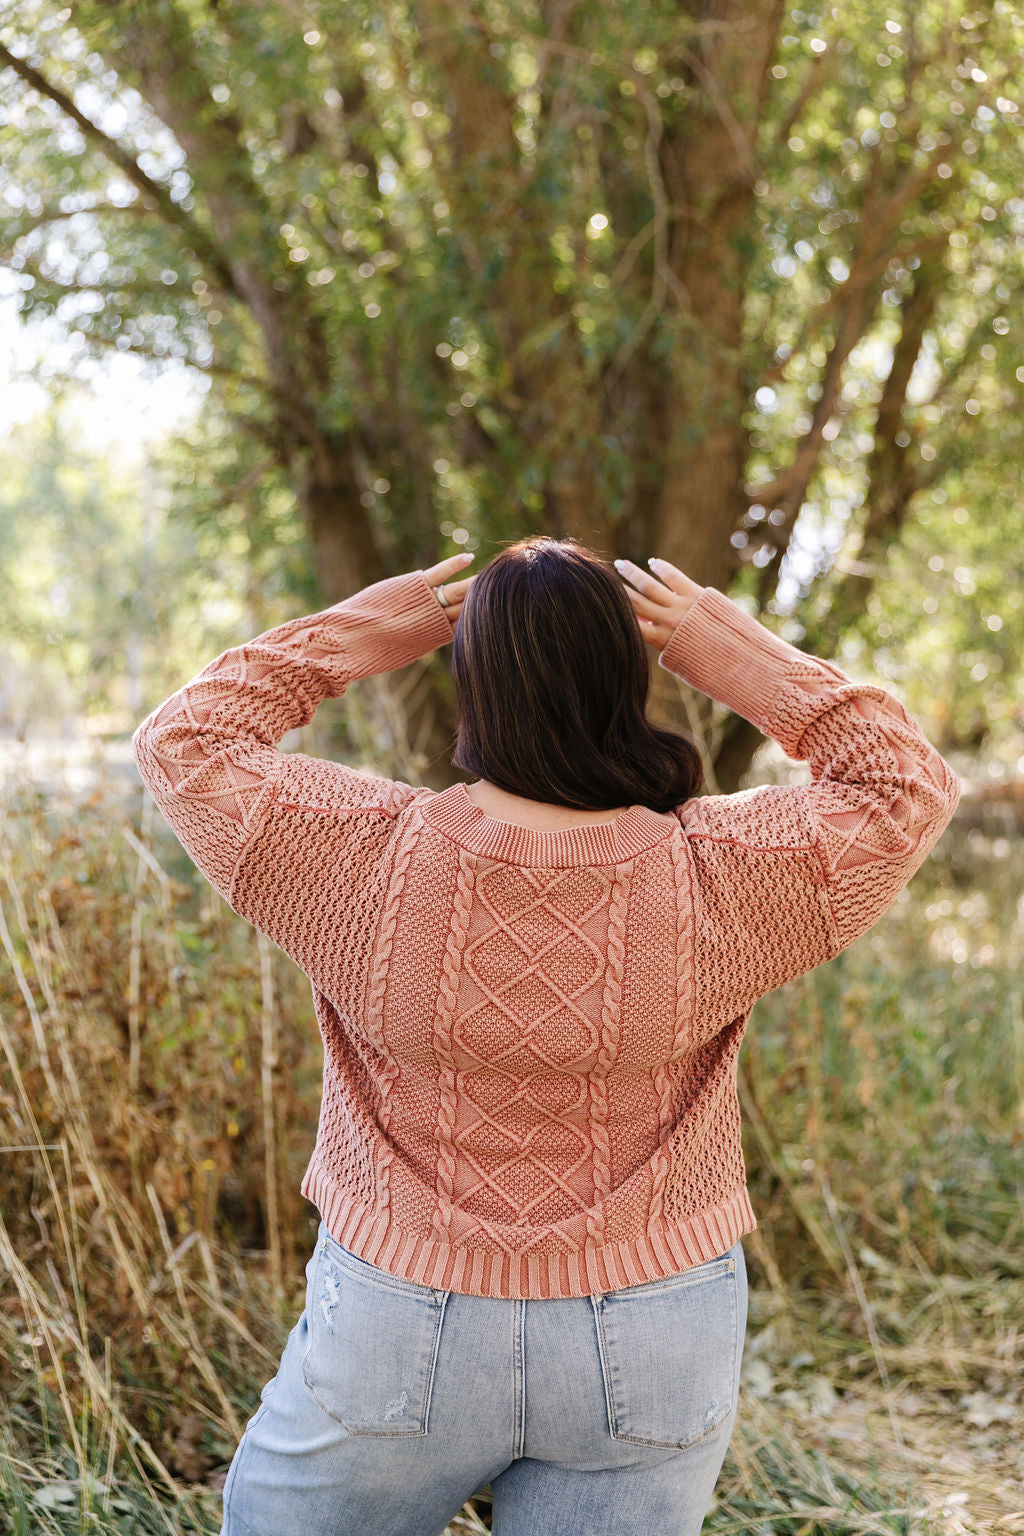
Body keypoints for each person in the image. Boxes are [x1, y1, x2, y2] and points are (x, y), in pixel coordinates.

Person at [132, 536, 960, 1536]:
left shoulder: (359, 854)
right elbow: (903, 786)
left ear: (470, 681)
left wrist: (374, 627)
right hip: (654, 1326)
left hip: (403, 1320)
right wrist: (725, 646)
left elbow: (185, 740)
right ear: (628, 674)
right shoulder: (723, 872)